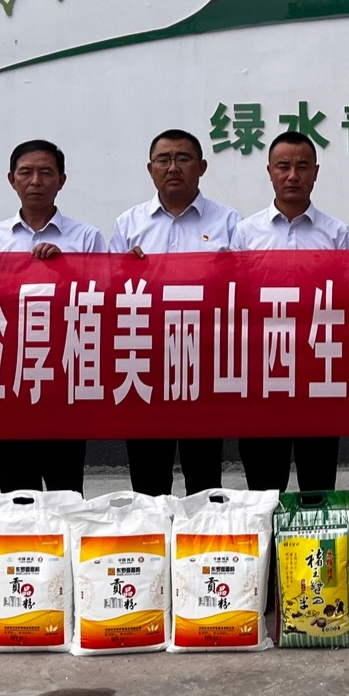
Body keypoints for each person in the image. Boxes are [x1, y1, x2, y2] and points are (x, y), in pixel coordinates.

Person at [0, 139, 105, 494]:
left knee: (65, 481)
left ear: (61, 180)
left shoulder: (86, 237)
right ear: (11, 179)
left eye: (45, 173)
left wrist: (67, 268)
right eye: (26, 173)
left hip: (65, 369)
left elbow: (103, 299)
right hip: (12, 370)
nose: (35, 181)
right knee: (16, 481)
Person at [109, 129, 237, 496]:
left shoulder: (229, 223)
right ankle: (153, 533)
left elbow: (242, 289)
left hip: (204, 359)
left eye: (183, 159)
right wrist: (124, 272)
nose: (173, 167)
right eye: (164, 160)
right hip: (145, 361)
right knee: (148, 474)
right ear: (150, 169)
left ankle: (201, 533)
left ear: (202, 167)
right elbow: (111, 293)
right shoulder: (129, 224)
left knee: (204, 472)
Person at [231, 131, 349, 495]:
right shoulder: (246, 233)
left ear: (316, 172)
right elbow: (235, 299)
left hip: (318, 371)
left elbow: (347, 299)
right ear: (270, 171)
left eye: (302, 167)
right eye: (283, 166)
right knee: (264, 487)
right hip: (262, 373)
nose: (293, 176)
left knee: (318, 482)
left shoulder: (336, 233)